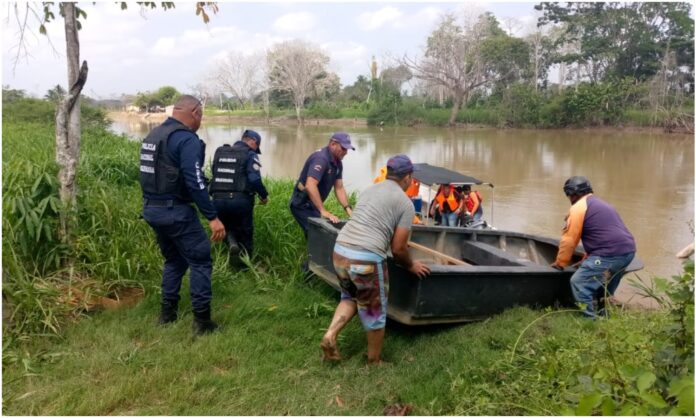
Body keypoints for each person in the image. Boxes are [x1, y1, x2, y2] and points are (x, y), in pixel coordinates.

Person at [320, 154, 430, 365]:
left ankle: (330, 335)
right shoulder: (405, 204)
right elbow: (398, 249)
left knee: (350, 297)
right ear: (407, 178)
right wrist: (412, 265)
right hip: (365, 258)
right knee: (375, 311)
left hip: (341, 249)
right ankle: (374, 362)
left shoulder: (369, 190)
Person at [139, 95, 225, 335]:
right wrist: (212, 216)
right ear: (195, 113)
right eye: (202, 116)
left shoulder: (154, 135)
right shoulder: (186, 139)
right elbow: (195, 181)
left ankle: (167, 314)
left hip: (152, 209)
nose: (201, 121)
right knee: (200, 260)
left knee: (174, 261)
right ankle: (202, 322)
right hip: (175, 211)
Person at [551, 176, 636, 318]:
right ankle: (604, 314)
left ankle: (590, 321)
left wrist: (560, 263)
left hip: (609, 254)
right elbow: (603, 235)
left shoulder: (578, 208)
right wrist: (587, 258)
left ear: (572, 193)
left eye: (568, 194)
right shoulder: (601, 204)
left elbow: (569, 240)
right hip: (628, 252)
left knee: (579, 282)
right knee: (604, 288)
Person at [209, 129, 269, 265]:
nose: (256, 149)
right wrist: (263, 195)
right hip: (240, 201)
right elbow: (254, 179)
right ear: (253, 141)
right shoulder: (250, 154)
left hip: (217, 199)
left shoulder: (220, 151)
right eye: (257, 145)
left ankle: (231, 243)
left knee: (225, 226)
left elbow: (214, 173)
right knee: (245, 231)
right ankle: (245, 265)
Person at [289, 132, 354, 237]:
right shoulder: (321, 159)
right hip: (301, 204)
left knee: (318, 235)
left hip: (313, 204)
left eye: (347, 149)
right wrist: (323, 211)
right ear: (333, 144)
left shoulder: (337, 162)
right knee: (317, 235)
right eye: (343, 148)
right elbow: (310, 185)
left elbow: (339, 188)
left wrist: (348, 209)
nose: (346, 152)